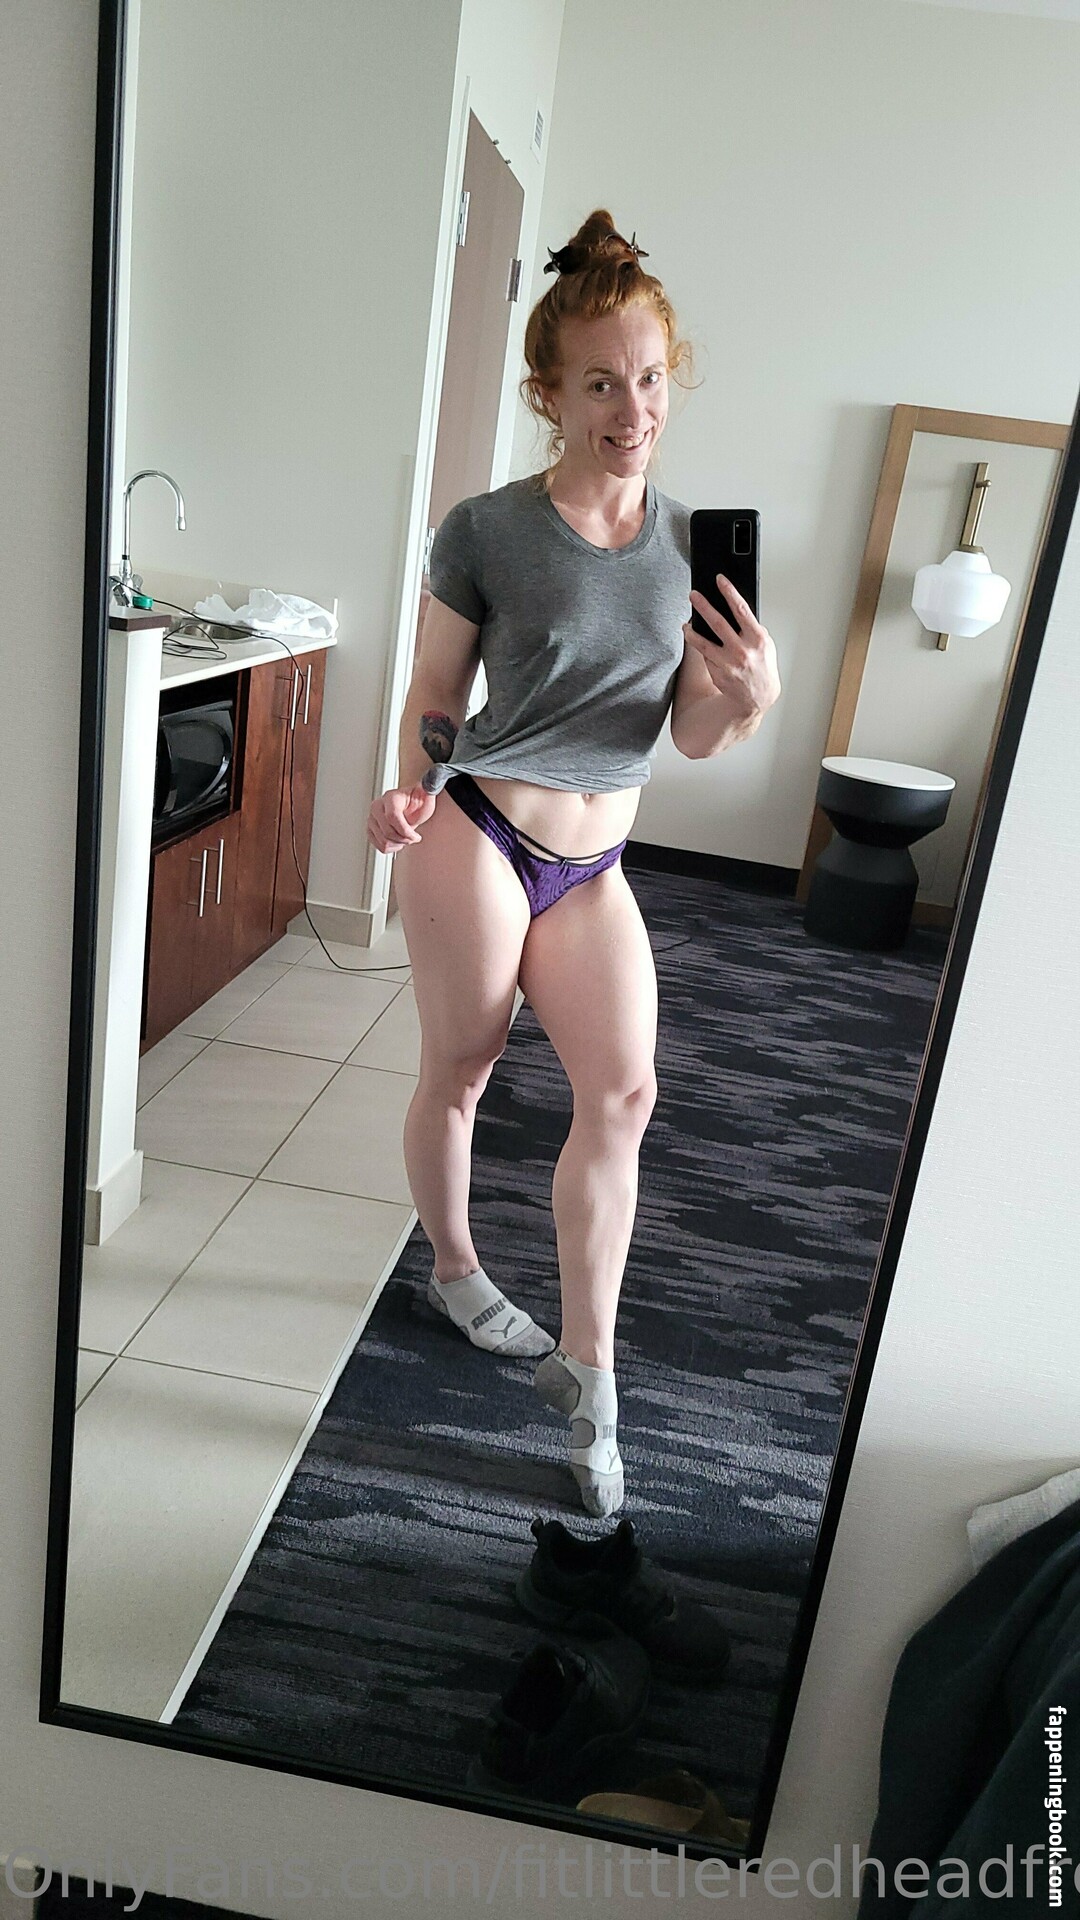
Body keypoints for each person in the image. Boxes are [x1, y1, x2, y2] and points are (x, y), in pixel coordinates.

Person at [367, 210, 781, 1517]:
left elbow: (690, 736)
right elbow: (438, 690)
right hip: (481, 830)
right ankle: (455, 1269)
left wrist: (747, 700)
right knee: (464, 1067)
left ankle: (591, 1383)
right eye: (601, 383)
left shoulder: (690, 547)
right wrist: (413, 780)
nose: (631, 409)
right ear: (550, 392)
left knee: (626, 1094)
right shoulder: (488, 528)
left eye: (649, 378)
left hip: (595, 864)